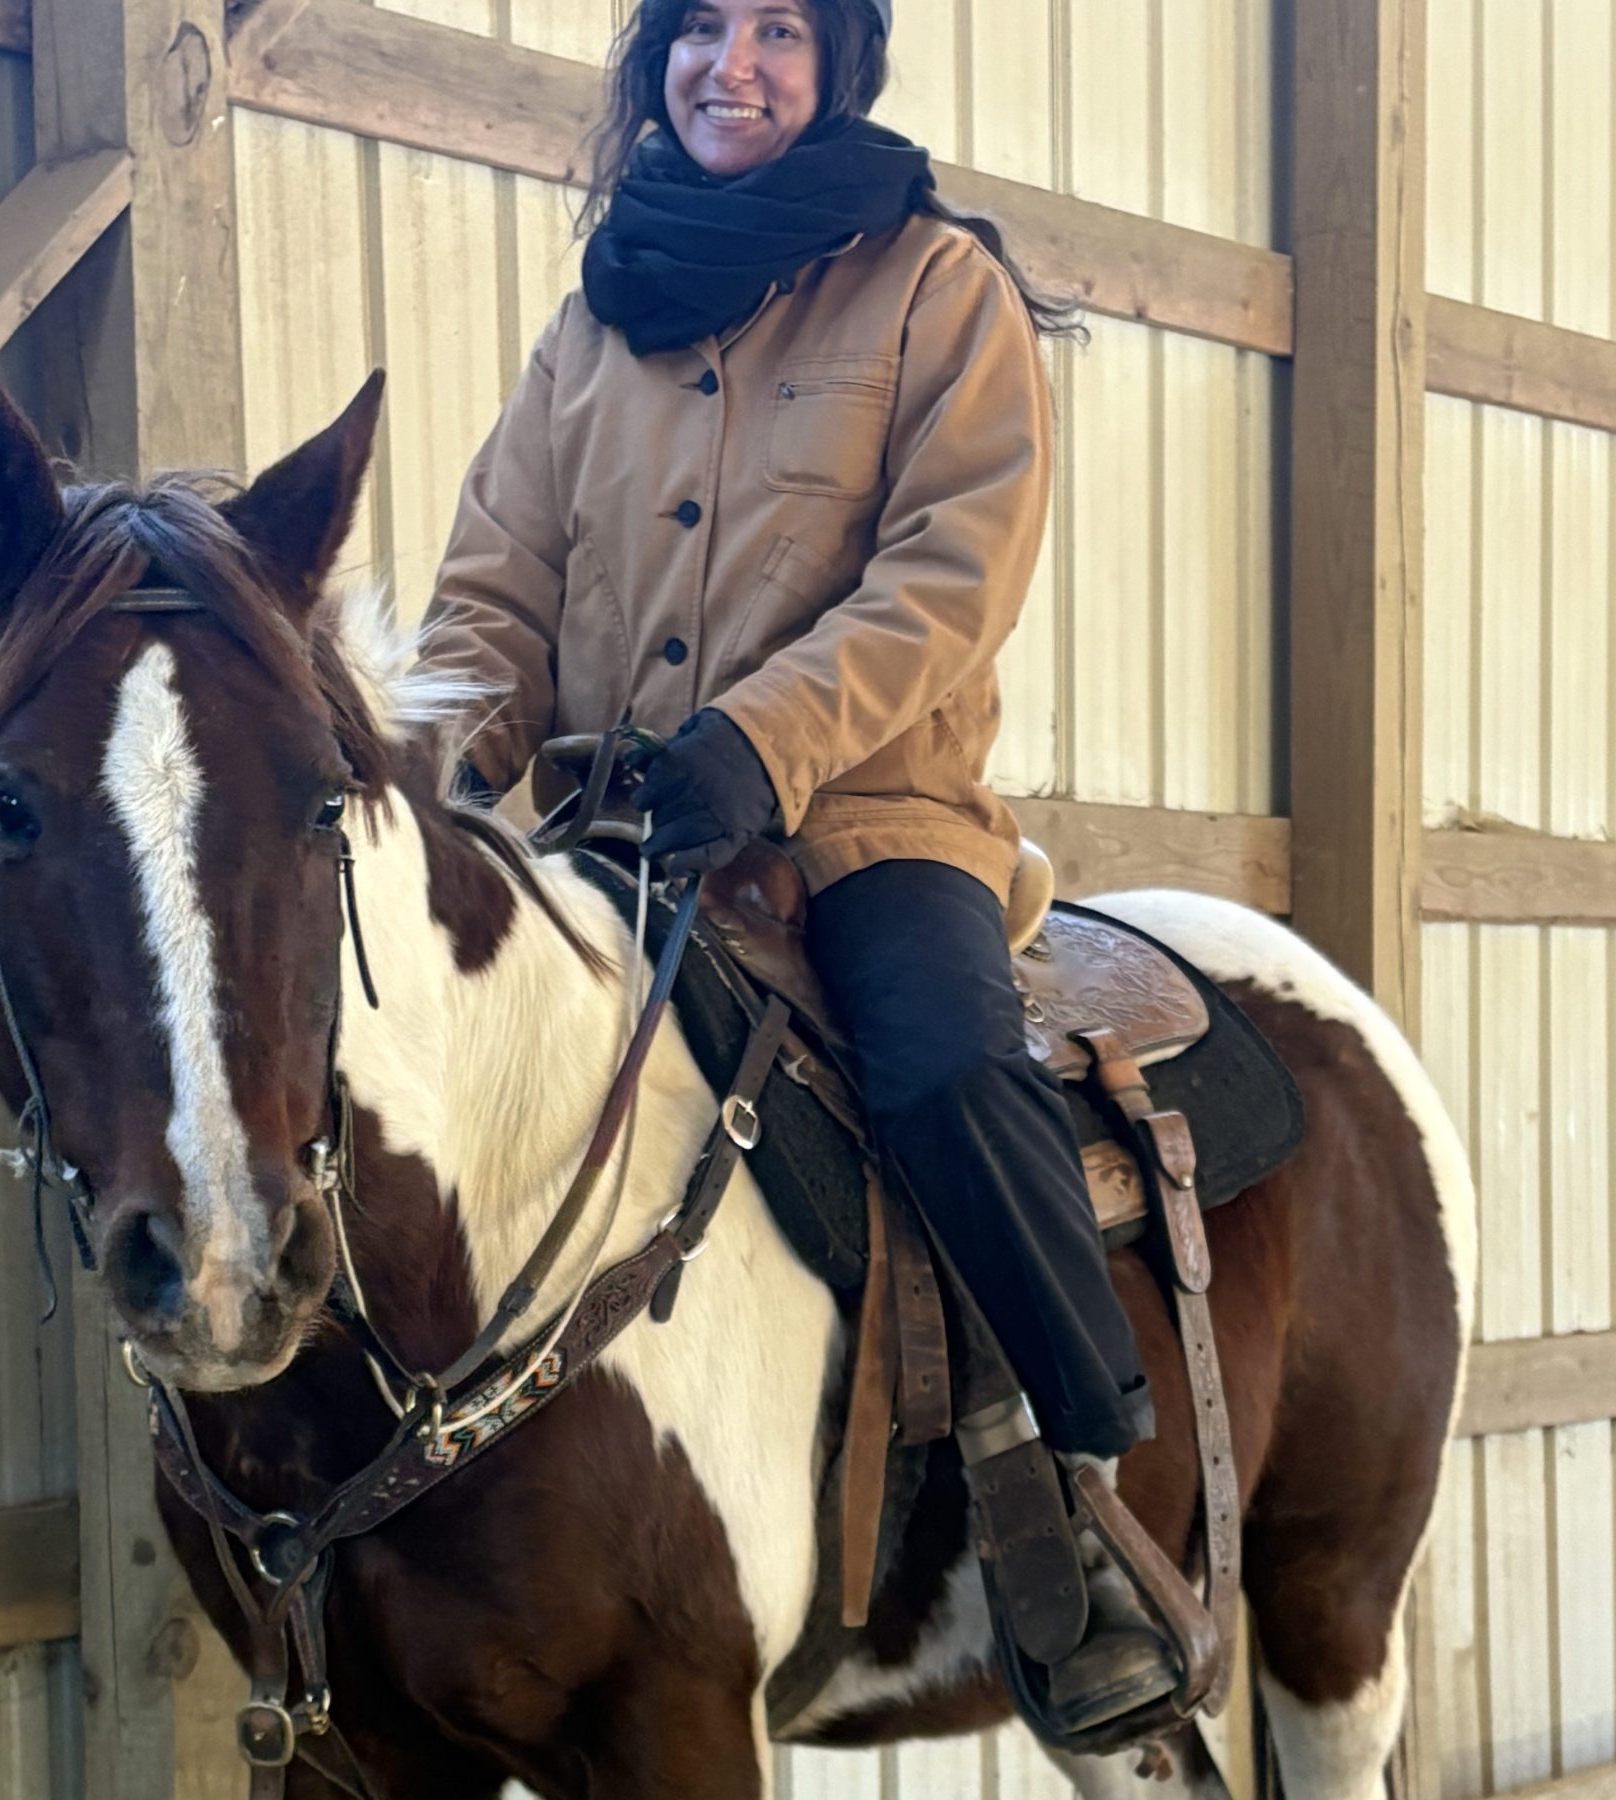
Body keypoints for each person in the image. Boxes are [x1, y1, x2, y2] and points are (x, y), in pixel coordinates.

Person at [418, 0, 1168, 1729]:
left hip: (860, 822)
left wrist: (764, 742)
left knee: (946, 1065)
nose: (729, 63)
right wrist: (439, 773)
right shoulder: (593, 323)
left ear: (838, 61)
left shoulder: (936, 290)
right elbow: (495, 596)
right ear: (654, 59)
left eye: (776, 29)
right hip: (615, 836)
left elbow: (951, 569)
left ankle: (1081, 1503)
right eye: (698, 26)